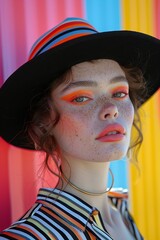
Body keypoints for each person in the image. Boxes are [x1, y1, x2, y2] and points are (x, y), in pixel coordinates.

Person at [0, 17, 160, 240]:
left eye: (120, 93)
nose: (112, 108)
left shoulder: (121, 212)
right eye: (82, 98)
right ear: (43, 122)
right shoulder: (30, 236)